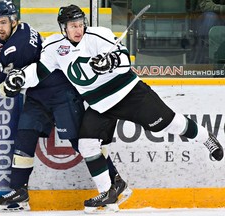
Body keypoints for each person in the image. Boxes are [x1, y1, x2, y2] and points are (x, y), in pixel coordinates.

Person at [11, 4, 223, 212]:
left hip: (128, 94)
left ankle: (206, 138)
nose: (78, 29)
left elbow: (123, 58)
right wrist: (21, 78)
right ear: (63, 28)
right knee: (86, 144)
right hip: (100, 105)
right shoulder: (54, 46)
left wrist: (110, 61)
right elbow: (39, 71)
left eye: (80, 24)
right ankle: (108, 192)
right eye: (72, 26)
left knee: (170, 124)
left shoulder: (98, 35)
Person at [0, 0, 129, 212]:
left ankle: (115, 180)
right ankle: (20, 192)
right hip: (37, 95)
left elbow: (10, 84)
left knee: (80, 142)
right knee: (24, 136)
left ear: (13, 20)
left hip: (61, 92)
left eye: (3, 22)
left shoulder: (20, 44)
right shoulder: (16, 32)